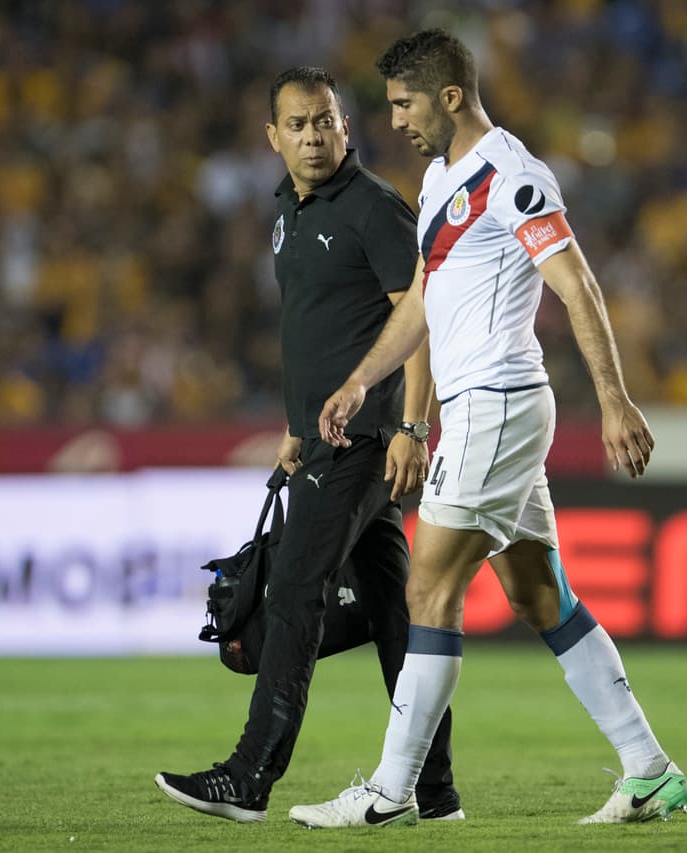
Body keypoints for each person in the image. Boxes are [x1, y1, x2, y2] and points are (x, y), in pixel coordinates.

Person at [288, 30, 687, 829]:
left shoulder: (512, 176)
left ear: (448, 97)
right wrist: (361, 380)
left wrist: (614, 399)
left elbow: (578, 287)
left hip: (496, 403)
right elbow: (421, 304)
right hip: (488, 407)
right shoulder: (440, 179)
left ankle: (393, 791)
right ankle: (650, 770)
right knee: (540, 593)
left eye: (404, 104)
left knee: (428, 587)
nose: (394, 120)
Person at [155, 66, 462, 824]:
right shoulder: (287, 212)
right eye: (298, 124)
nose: (314, 135)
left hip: (363, 441)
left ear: (346, 127)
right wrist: (296, 429)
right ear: (274, 138)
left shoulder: (374, 210)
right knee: (395, 612)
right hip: (321, 442)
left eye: (325, 121)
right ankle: (434, 790)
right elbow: (321, 329)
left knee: (295, 594)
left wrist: (411, 427)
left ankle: (248, 776)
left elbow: (418, 321)